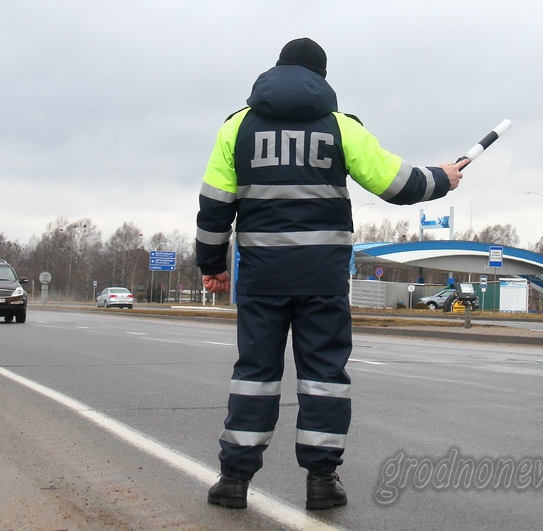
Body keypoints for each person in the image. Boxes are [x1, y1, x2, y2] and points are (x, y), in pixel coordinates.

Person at [196, 37, 465, 510]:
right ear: (321, 78)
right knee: (323, 375)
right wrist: (443, 176)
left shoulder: (236, 127)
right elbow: (396, 183)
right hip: (322, 279)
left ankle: (234, 480)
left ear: (275, 70)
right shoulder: (341, 127)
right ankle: (322, 481)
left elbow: (215, 206)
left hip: (262, 278)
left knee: (255, 374)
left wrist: (213, 265)